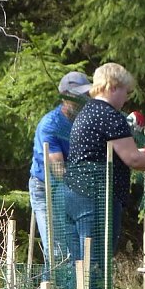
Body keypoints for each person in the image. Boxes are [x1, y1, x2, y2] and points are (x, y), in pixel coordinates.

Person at [64, 63, 145, 263]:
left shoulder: (88, 112)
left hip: (75, 195)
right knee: (96, 264)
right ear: (113, 87)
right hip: (97, 198)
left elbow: (110, 152)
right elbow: (133, 160)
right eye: (126, 92)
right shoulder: (110, 116)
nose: (126, 98)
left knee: (79, 264)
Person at [29, 71, 91, 263]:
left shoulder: (86, 121)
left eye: (85, 95)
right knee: (57, 251)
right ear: (65, 97)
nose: (83, 100)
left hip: (74, 188)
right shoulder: (51, 124)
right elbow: (58, 170)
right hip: (46, 188)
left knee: (80, 251)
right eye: (77, 96)